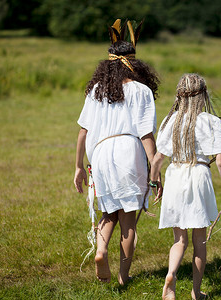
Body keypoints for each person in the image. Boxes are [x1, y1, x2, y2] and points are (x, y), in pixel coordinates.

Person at [74, 19, 160, 285]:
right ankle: (124, 276)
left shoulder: (96, 90)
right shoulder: (141, 90)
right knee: (128, 219)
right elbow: (145, 134)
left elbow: (83, 132)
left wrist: (78, 166)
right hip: (128, 150)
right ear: (134, 63)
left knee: (108, 212)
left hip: (98, 154)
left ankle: (101, 252)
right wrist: (155, 170)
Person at [150, 73, 221, 299]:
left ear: (179, 95)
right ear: (204, 94)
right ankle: (196, 292)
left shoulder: (171, 120)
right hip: (198, 176)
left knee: (179, 239)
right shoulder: (211, 121)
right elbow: (220, 161)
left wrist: (154, 182)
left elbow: (158, 158)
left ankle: (171, 274)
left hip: (175, 175)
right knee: (200, 241)